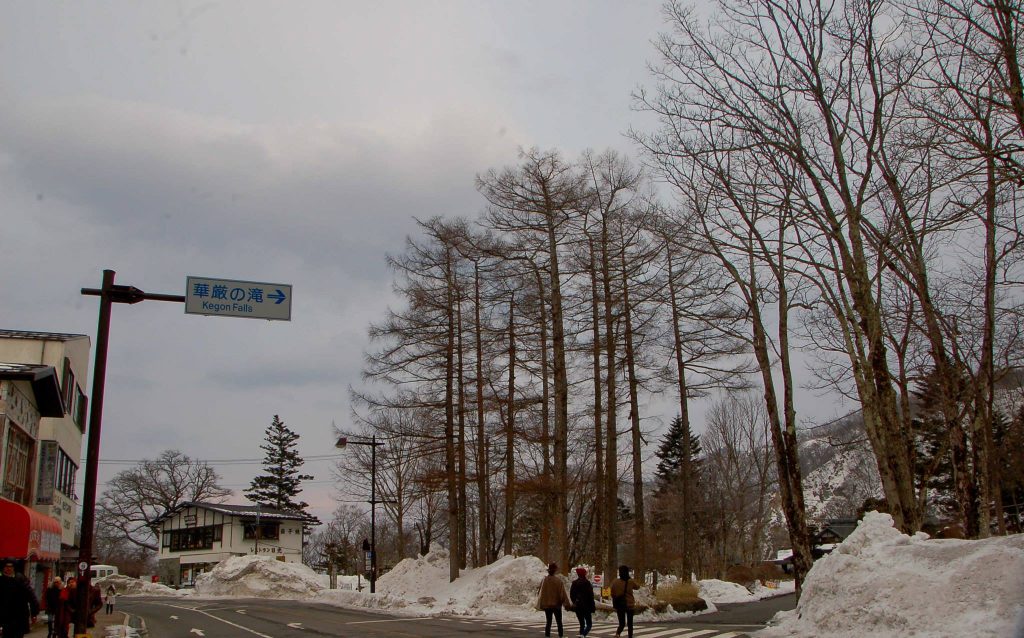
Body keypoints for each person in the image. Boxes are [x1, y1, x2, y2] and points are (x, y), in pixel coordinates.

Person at [0, 560, 40, 638]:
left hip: (19, 615)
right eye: (6, 566)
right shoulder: (1, 580)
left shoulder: (20, 579)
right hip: (6, 616)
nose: (8, 568)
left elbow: (31, 596)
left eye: (10, 566)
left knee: (17, 634)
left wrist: (34, 612)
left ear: (13, 568)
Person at [536, 562, 571, 638]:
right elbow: (563, 595)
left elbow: (540, 592)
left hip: (547, 605)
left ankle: (547, 635)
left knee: (548, 622)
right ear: (555, 571)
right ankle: (560, 636)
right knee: (559, 622)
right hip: (556, 605)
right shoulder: (558, 581)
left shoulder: (544, 581)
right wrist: (567, 605)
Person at [609, 564, 640, 638]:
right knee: (630, 624)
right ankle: (630, 636)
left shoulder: (615, 582)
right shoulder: (630, 582)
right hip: (629, 605)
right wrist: (630, 578)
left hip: (619, 604)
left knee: (622, 623)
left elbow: (612, 592)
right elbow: (637, 587)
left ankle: (618, 634)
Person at [569, 567, 595, 637]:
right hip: (587, 607)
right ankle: (583, 635)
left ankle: (581, 634)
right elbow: (591, 596)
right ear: (584, 574)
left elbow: (571, 595)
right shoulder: (587, 583)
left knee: (582, 624)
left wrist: (575, 602)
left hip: (578, 607)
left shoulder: (574, 583)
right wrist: (592, 607)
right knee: (589, 624)